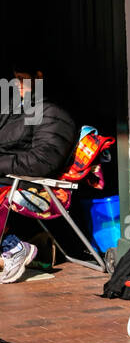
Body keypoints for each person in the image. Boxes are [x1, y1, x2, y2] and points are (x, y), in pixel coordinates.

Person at [0, 67, 77, 284]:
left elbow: (43, 161)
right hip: (11, 178)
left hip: (34, 187)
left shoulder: (53, 112)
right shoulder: (16, 111)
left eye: (23, 81)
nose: (16, 86)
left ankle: (13, 247)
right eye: (15, 80)